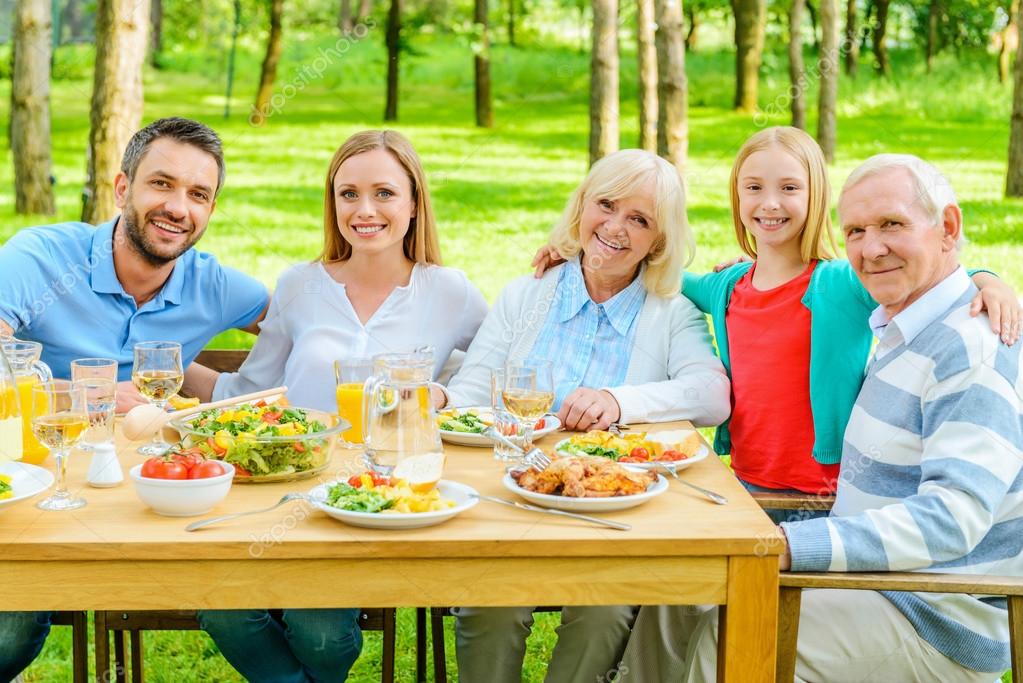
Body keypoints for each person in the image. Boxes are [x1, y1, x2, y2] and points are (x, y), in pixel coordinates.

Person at [620, 153, 1023, 682]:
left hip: (930, 617)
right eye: (856, 230)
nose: (871, 248)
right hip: (876, 580)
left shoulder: (968, 347)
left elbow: (954, 517)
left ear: (947, 228)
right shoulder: (905, 332)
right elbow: (679, 279)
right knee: (680, 594)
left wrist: (790, 547)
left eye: (892, 225)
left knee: (735, 632)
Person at [533, 126, 1020, 522]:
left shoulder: (838, 282)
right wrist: (579, 250)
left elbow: (925, 266)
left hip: (823, 497)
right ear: (738, 198)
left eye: (789, 188)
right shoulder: (725, 287)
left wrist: (987, 280)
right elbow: (658, 268)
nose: (770, 204)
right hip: (745, 483)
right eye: (754, 188)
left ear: (815, 196)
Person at [192, 129, 488, 683]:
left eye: (384, 193)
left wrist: (447, 394)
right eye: (348, 193)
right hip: (284, 495)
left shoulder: (449, 290)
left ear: (414, 202)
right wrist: (172, 372)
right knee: (222, 607)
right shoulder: (300, 285)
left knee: (322, 633)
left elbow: (499, 366)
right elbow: (250, 391)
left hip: (378, 502)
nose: (364, 209)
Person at [442, 149, 731, 683]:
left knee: (606, 610)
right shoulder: (527, 295)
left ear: (659, 241)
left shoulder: (669, 311)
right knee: (490, 602)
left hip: (614, 511)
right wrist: (440, 402)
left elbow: (713, 395)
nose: (616, 227)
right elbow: (468, 396)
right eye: (606, 205)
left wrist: (620, 401)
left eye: (640, 219)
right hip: (513, 500)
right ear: (581, 208)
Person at [0, 117, 269, 682]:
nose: (179, 207)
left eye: (199, 194)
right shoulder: (43, 256)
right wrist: (84, 393)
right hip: (45, 485)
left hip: (161, 495)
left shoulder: (214, 285)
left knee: (242, 592)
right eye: (162, 184)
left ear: (210, 212)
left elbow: (312, 326)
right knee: (10, 629)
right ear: (123, 189)